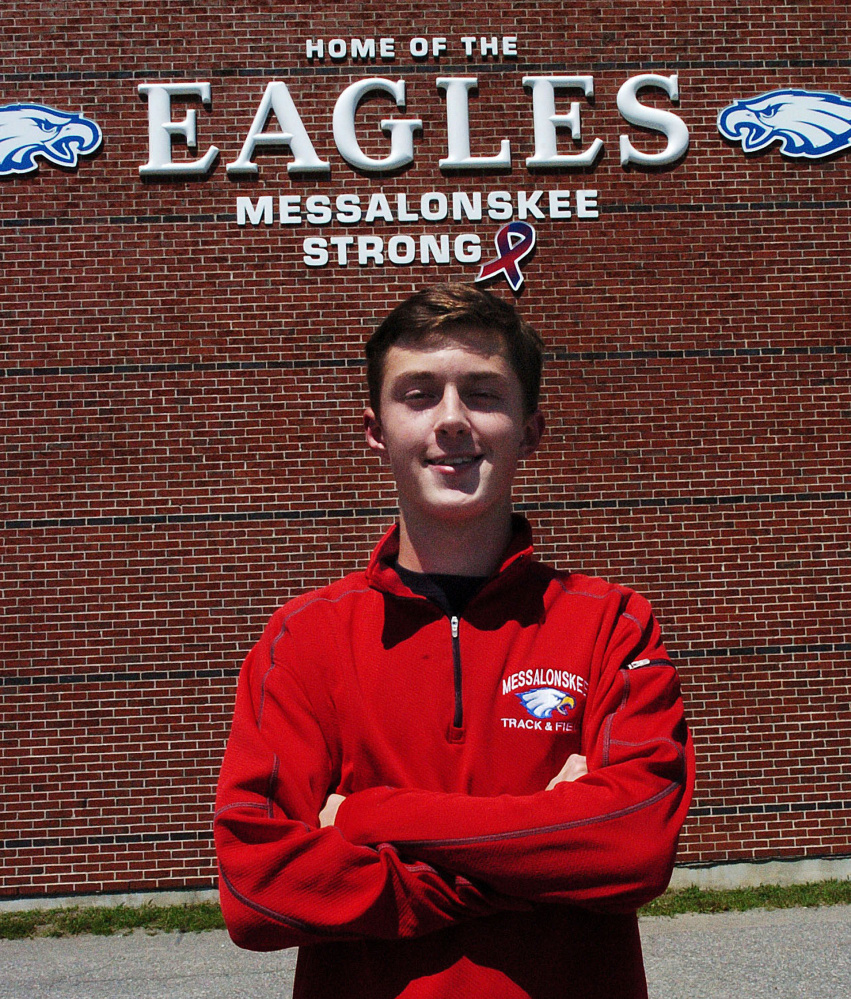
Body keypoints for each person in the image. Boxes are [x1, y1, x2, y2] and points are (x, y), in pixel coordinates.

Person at [214, 283, 695, 999]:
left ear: (530, 430)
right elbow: (258, 888)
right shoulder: (304, 638)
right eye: (417, 394)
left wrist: (372, 814)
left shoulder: (610, 624)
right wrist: (542, 857)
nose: (451, 421)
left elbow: (633, 845)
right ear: (374, 429)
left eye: (481, 393)